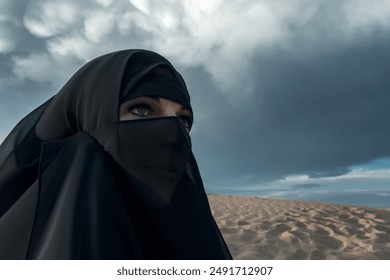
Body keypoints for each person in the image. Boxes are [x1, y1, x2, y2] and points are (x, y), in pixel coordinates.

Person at [0, 49, 232, 259]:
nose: (174, 135)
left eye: (183, 121)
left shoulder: (185, 215)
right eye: (142, 109)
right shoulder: (78, 176)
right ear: (89, 114)